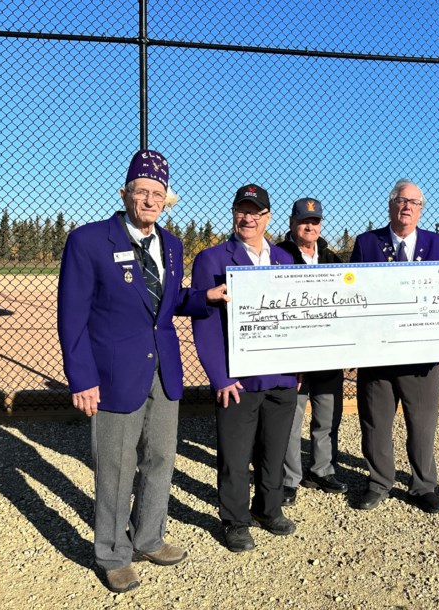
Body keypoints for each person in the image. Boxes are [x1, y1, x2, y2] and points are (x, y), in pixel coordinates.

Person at [57, 149, 230, 593]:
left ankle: (149, 536)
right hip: (113, 374)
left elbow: (169, 303)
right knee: (115, 465)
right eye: (142, 192)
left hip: (164, 370)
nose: (150, 200)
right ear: (126, 193)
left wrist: (206, 298)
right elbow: (71, 315)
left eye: (158, 194)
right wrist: (82, 378)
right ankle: (112, 553)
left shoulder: (170, 245)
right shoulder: (89, 241)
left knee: (161, 458)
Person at [191, 184, 300, 553]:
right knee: (235, 456)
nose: (248, 217)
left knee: (273, 450)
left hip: (282, 377)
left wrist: (300, 366)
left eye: (256, 212)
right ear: (234, 213)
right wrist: (219, 376)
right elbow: (204, 325)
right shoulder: (211, 259)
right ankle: (235, 520)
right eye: (242, 210)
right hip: (238, 379)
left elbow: (299, 317)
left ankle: (268, 509)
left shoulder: (285, 260)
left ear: (268, 217)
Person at [348, 178, 439, 514]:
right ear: (390, 204)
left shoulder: (438, 245)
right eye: (400, 200)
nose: (407, 206)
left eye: (414, 202)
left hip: (421, 356)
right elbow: (353, 297)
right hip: (377, 353)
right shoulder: (367, 243)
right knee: (375, 422)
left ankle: (422, 486)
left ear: (421, 210)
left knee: (422, 423)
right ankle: (379, 483)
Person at [276, 198, 348, 506]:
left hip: (328, 353)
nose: (310, 226)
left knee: (327, 415)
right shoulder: (278, 255)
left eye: (315, 221)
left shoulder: (331, 257)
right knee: (291, 419)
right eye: (304, 221)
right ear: (292, 223)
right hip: (293, 355)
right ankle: (289, 478)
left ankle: (321, 470)